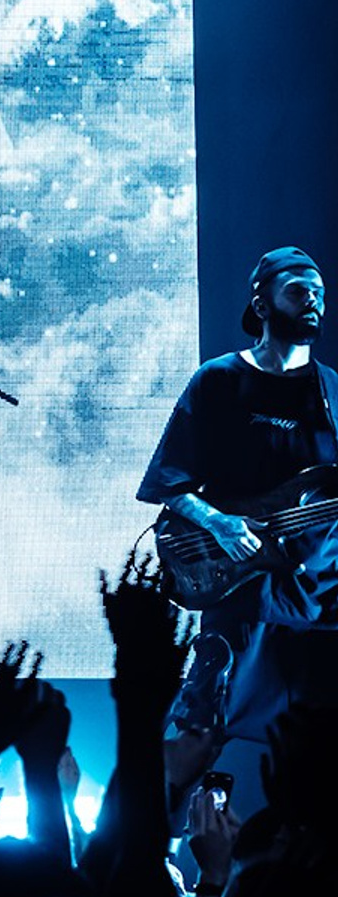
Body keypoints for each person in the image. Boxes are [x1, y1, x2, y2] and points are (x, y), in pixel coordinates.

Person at [138, 245, 338, 793]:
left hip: (320, 600)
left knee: (317, 753)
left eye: (319, 293)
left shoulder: (333, 390)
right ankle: (160, 852)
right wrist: (223, 525)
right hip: (241, 595)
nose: (313, 302)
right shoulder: (219, 381)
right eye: (298, 291)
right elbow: (168, 485)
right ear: (263, 300)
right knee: (198, 737)